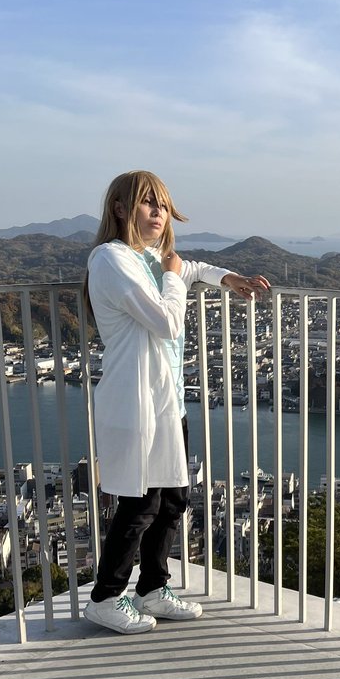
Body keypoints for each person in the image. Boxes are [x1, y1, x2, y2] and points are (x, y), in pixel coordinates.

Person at [83, 170, 270, 635]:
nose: (159, 214)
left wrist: (229, 278)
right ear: (121, 209)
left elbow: (192, 268)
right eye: (148, 203)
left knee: (173, 499)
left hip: (168, 401)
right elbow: (167, 320)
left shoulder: (149, 258)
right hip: (135, 402)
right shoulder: (111, 259)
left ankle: (152, 588)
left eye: (163, 206)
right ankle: (106, 598)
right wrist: (172, 275)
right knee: (140, 503)